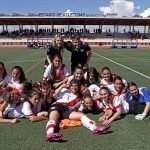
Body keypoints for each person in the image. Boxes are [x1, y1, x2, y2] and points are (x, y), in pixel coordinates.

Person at [45, 79, 110, 142]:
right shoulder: (64, 90)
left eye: (75, 85)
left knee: (82, 115)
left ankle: (95, 128)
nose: (74, 87)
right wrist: (62, 86)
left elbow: (91, 99)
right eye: (72, 85)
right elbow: (54, 95)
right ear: (69, 86)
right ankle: (50, 134)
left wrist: (89, 121)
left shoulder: (80, 98)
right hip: (57, 106)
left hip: (67, 110)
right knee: (53, 120)